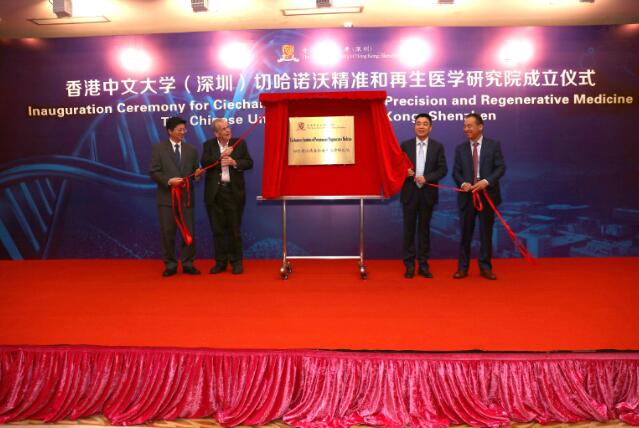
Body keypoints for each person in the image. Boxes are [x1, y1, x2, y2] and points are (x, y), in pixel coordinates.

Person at [452, 113, 506, 280]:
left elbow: (500, 168)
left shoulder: (493, 145)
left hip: (487, 196)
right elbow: (456, 172)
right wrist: (463, 183)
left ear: (480, 126)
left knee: (486, 233)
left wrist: (486, 181)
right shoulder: (460, 148)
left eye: (469, 126)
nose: (466, 129)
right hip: (467, 197)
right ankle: (463, 268)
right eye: (464, 126)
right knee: (465, 234)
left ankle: (485, 268)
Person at [149, 116, 202, 277]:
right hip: (167, 199)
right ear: (170, 131)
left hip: (186, 199)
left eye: (184, 129)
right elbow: (154, 172)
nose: (183, 132)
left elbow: (195, 172)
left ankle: (188, 263)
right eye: (179, 130)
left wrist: (197, 175)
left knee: (188, 232)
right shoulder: (159, 148)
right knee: (168, 232)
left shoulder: (191, 150)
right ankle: (170, 265)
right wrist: (168, 181)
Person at [201, 118, 253, 275]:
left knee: (234, 230)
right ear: (216, 133)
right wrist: (221, 156)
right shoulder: (209, 145)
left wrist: (234, 162)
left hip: (232, 192)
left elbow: (249, 163)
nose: (228, 130)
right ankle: (220, 262)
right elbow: (205, 162)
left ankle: (236, 262)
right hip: (215, 194)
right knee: (217, 230)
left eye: (228, 127)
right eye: (223, 129)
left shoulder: (239, 143)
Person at [400, 113, 448, 279]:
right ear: (414, 126)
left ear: (430, 127)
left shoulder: (437, 146)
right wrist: (404, 172)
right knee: (409, 230)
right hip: (409, 194)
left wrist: (427, 178)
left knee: (424, 230)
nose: (421, 126)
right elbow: (397, 166)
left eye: (425, 124)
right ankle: (409, 265)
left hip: (427, 194)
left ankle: (423, 265)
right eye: (418, 123)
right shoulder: (405, 145)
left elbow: (442, 169)